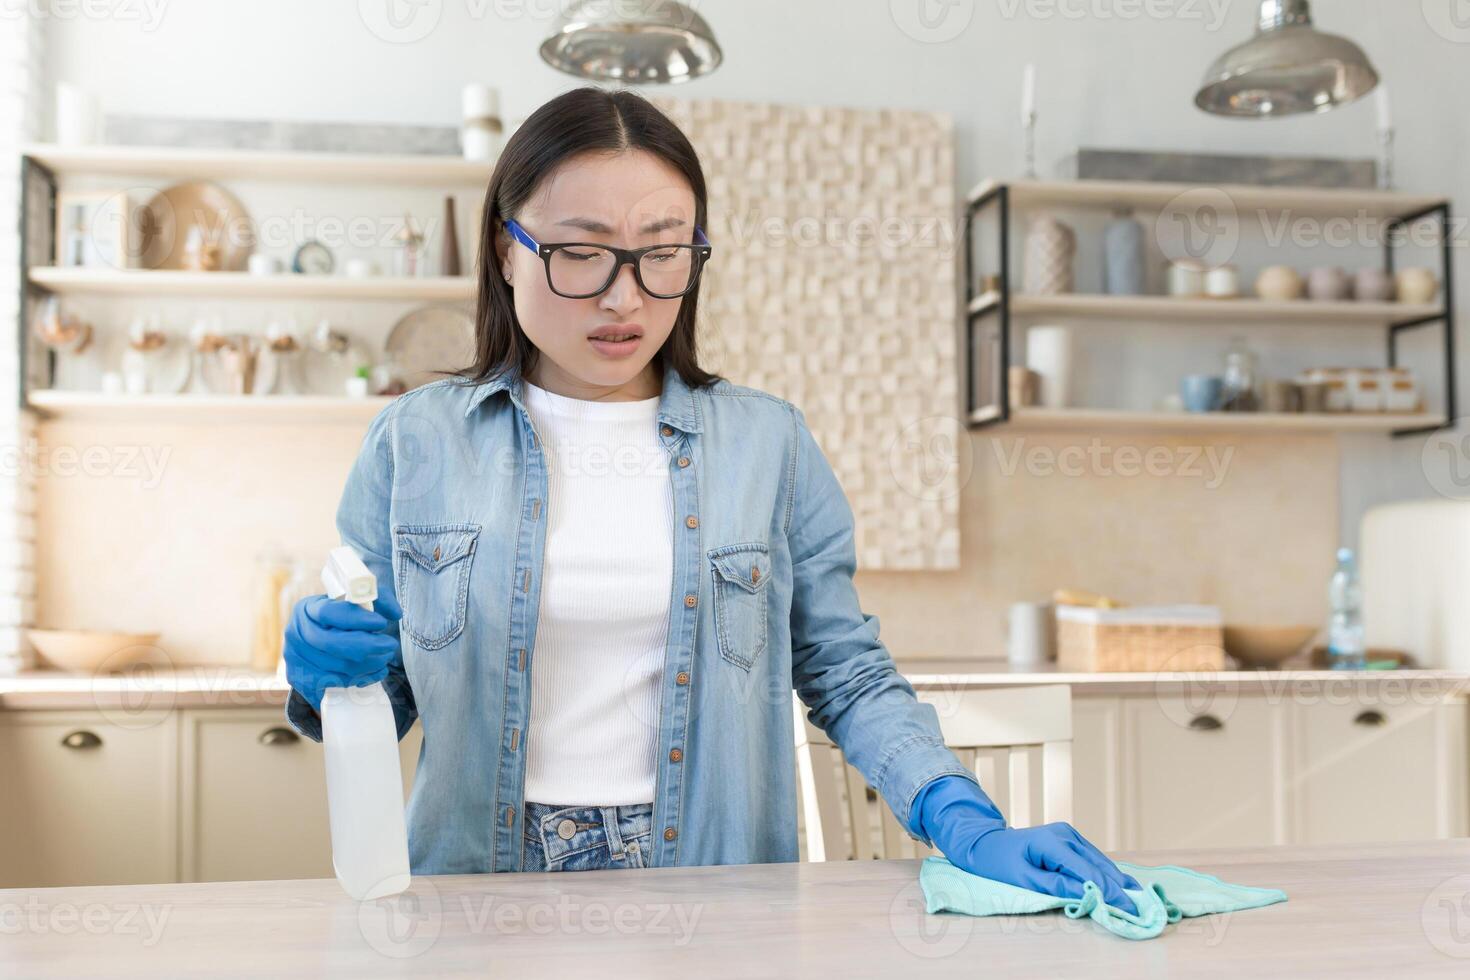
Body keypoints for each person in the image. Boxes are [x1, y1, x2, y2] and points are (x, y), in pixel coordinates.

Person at [282, 86, 1140, 913]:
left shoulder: (768, 445)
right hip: (475, 884)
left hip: (712, 879)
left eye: (663, 253)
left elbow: (845, 673)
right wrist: (327, 679)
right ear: (506, 249)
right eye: (581, 253)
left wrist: (964, 820)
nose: (626, 297)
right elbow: (376, 702)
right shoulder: (417, 442)